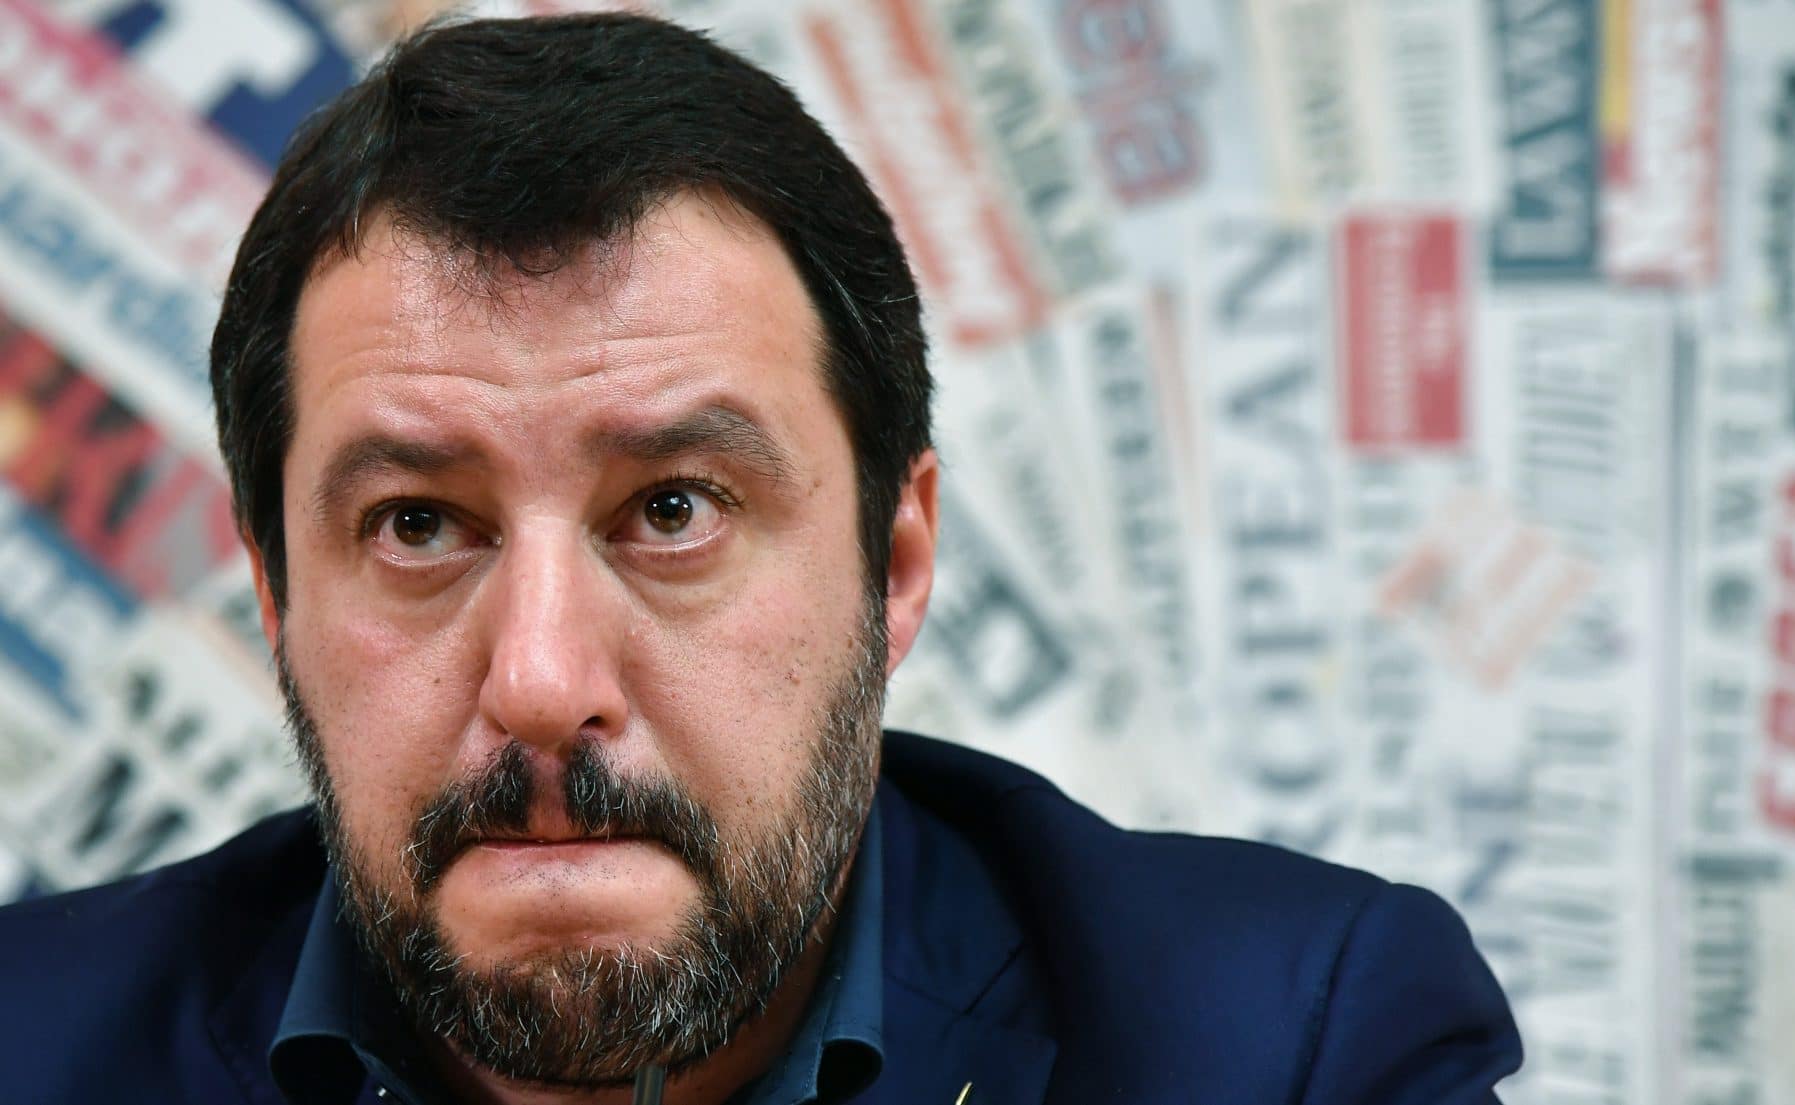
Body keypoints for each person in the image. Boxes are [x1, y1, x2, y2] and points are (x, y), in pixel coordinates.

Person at [0, 13, 1521, 1105]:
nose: (542, 682)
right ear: (276, 594)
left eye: (673, 509)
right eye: (417, 525)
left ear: (894, 561)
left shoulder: (1290, 1048)